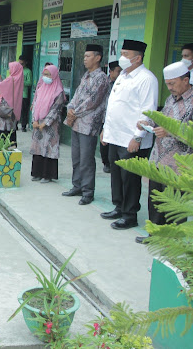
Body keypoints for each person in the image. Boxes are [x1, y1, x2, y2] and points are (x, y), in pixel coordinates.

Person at [134, 61, 193, 244]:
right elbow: (162, 121)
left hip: (179, 164)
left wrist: (171, 132)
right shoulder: (170, 99)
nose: (170, 87)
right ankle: (154, 235)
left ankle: (173, 242)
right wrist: (149, 124)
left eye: (173, 83)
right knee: (156, 201)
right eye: (167, 84)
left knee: (175, 205)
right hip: (159, 159)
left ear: (185, 80)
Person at [100, 40, 158, 230]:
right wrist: (105, 131)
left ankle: (130, 214)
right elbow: (114, 106)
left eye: (125, 54)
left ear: (138, 57)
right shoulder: (123, 75)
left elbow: (147, 111)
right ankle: (119, 207)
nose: (122, 58)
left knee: (130, 179)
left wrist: (138, 137)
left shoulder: (146, 79)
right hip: (115, 136)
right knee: (116, 175)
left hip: (131, 139)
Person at [62, 44, 110, 205]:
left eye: (88, 56)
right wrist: (70, 108)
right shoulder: (86, 76)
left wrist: (74, 112)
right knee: (76, 157)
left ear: (98, 58)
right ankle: (77, 186)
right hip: (76, 123)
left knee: (86, 159)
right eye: (84, 56)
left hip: (89, 124)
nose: (85, 59)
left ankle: (88, 192)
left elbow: (93, 102)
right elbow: (76, 96)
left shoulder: (101, 78)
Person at [30, 63, 65, 183]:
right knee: (38, 147)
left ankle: (47, 175)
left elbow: (56, 108)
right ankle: (37, 173)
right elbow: (35, 105)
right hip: (38, 123)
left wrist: (45, 123)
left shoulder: (58, 91)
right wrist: (34, 120)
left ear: (54, 75)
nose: (45, 77)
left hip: (51, 125)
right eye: (44, 74)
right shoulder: (40, 88)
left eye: (48, 75)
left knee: (49, 147)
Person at [0, 61, 23, 143]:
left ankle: (2, 144)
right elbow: (6, 88)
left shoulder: (11, 79)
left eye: (10, 68)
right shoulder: (18, 78)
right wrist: (0, 79)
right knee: (11, 127)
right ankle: (11, 145)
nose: (9, 70)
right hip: (13, 108)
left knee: (3, 126)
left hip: (5, 107)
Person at [100, 61, 122, 173]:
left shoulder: (122, 83)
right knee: (104, 143)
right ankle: (106, 163)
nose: (120, 73)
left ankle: (113, 163)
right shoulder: (104, 82)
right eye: (118, 71)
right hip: (104, 116)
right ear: (111, 71)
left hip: (116, 118)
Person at [19, 55, 32, 132]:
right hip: (16, 94)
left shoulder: (28, 71)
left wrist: (21, 82)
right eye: (19, 63)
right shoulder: (17, 70)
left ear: (25, 63)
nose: (20, 65)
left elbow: (30, 83)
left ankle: (23, 126)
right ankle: (15, 124)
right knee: (15, 111)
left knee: (23, 111)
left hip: (24, 94)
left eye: (22, 64)